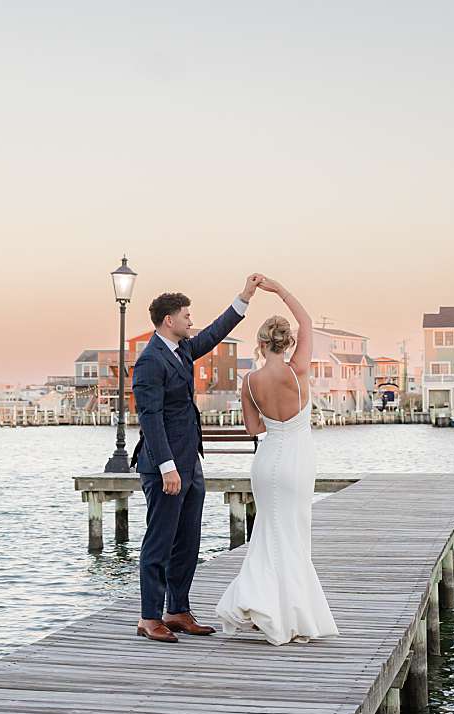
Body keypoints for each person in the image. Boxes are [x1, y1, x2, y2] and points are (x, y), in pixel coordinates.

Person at [130, 274, 263, 644]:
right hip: (165, 467)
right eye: (186, 316)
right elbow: (150, 418)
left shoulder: (183, 349)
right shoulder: (149, 362)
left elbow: (216, 332)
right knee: (160, 541)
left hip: (191, 462)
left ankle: (177, 610)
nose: (192, 321)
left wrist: (245, 297)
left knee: (188, 540)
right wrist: (167, 467)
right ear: (168, 320)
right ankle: (148, 617)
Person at [214, 277, 339, 645]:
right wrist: (279, 289)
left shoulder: (250, 380)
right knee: (295, 536)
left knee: (267, 535)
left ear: (261, 343)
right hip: (298, 459)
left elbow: (253, 428)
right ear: (288, 343)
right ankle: (293, 617)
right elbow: (307, 321)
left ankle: (260, 604)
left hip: (266, 462)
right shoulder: (298, 370)